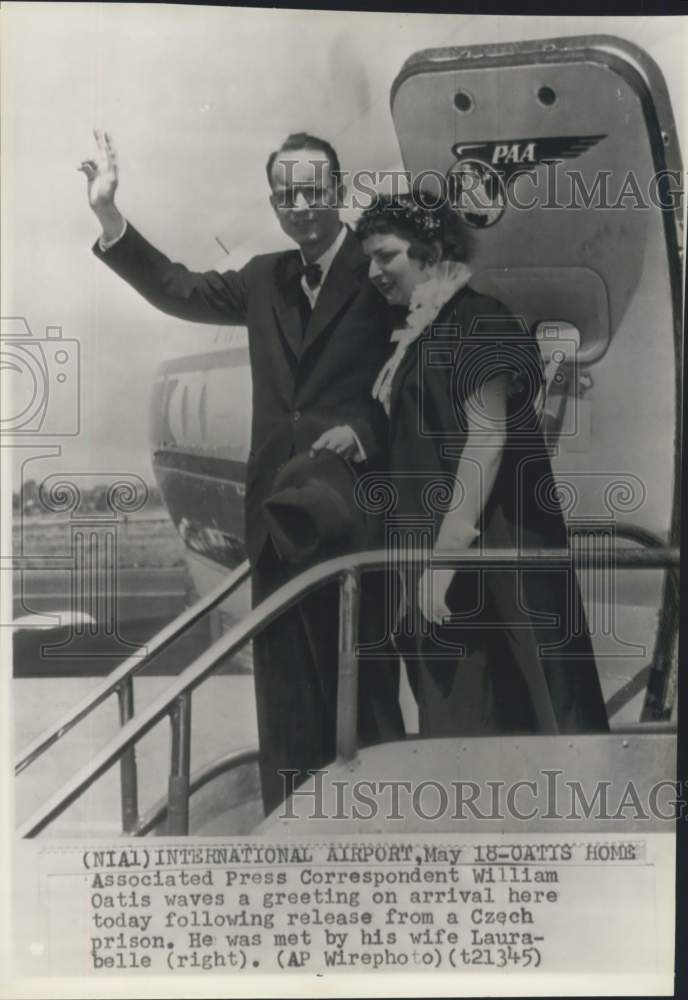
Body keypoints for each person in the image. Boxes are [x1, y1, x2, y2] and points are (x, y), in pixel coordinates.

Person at [79, 130, 404, 814]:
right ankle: (291, 837)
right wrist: (110, 216)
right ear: (275, 202)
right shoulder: (266, 278)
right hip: (276, 521)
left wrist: (369, 431)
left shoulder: (379, 276)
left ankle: (377, 838)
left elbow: (417, 377)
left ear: (339, 192)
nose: (302, 205)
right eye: (288, 193)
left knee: (362, 695)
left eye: (315, 189)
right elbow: (177, 287)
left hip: (353, 518)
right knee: (285, 700)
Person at [356, 193, 609, 736]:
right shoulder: (421, 332)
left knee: (536, 712)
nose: (373, 271)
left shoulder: (479, 318)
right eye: (369, 259)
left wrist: (444, 558)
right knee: (466, 722)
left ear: (433, 249)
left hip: (495, 552)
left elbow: (487, 437)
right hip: (452, 558)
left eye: (386, 256)